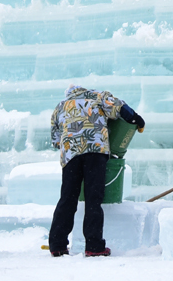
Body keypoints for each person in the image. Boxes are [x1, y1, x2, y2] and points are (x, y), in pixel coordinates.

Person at [48, 85, 144, 257]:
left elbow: (55, 138)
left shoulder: (60, 106)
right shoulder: (98, 97)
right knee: (94, 198)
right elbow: (119, 107)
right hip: (95, 150)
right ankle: (94, 246)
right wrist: (137, 120)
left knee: (68, 198)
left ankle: (57, 244)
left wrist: (72, 143)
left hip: (71, 155)